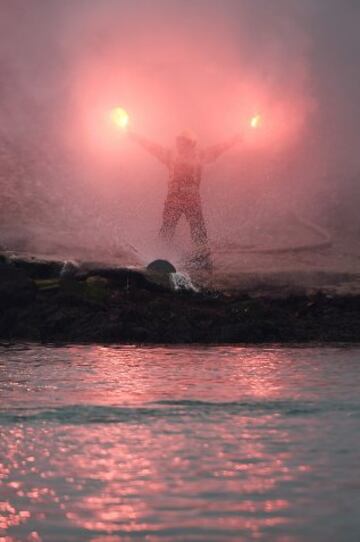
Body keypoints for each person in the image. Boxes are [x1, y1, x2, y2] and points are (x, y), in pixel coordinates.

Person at [129, 128, 240, 269]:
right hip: (173, 200)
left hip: (191, 200)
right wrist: (133, 134)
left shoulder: (200, 156)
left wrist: (235, 139)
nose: (179, 144)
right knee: (167, 229)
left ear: (191, 143)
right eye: (178, 141)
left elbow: (220, 148)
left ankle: (203, 259)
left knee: (198, 229)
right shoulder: (171, 156)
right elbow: (152, 147)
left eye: (182, 141)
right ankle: (161, 258)